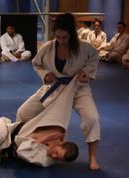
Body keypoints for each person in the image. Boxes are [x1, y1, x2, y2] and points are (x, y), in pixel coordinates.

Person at [16, 13, 101, 171]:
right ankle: (31, 143)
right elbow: (36, 63)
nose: (61, 41)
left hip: (78, 88)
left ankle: (93, 157)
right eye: (58, 37)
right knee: (23, 113)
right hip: (54, 87)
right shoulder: (48, 47)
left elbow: (95, 58)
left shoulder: (85, 48)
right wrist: (45, 75)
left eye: (64, 37)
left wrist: (86, 73)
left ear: (72, 34)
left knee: (92, 118)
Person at [0, 116, 78, 170]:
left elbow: (21, 151)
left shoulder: (46, 161)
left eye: (58, 159)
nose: (54, 157)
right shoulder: (54, 132)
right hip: (4, 128)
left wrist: (41, 140)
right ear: (61, 143)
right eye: (56, 152)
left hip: (5, 150)